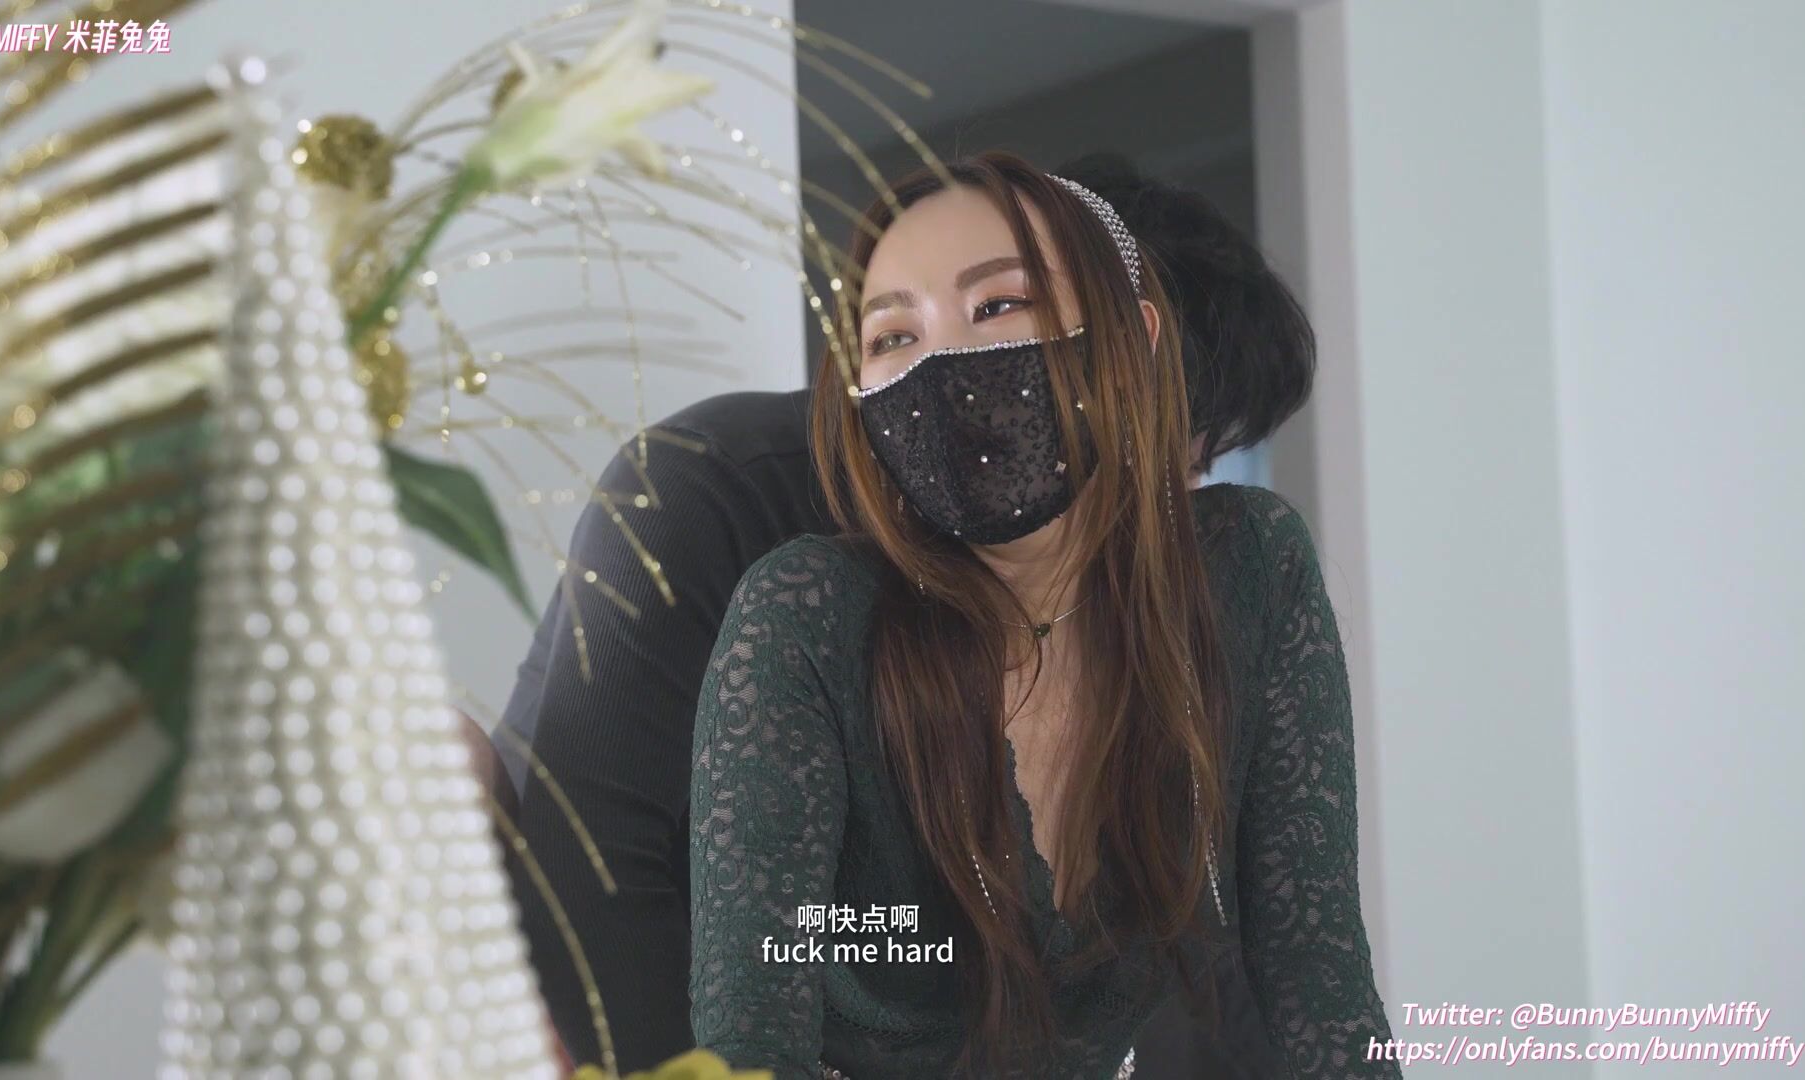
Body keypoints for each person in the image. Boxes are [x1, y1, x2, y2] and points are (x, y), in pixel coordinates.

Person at [494, 153, 1321, 1076]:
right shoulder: (714, 490)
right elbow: (591, 873)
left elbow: (1213, 929)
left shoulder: (1146, 596)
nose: (1178, 505)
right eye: (1172, 457)